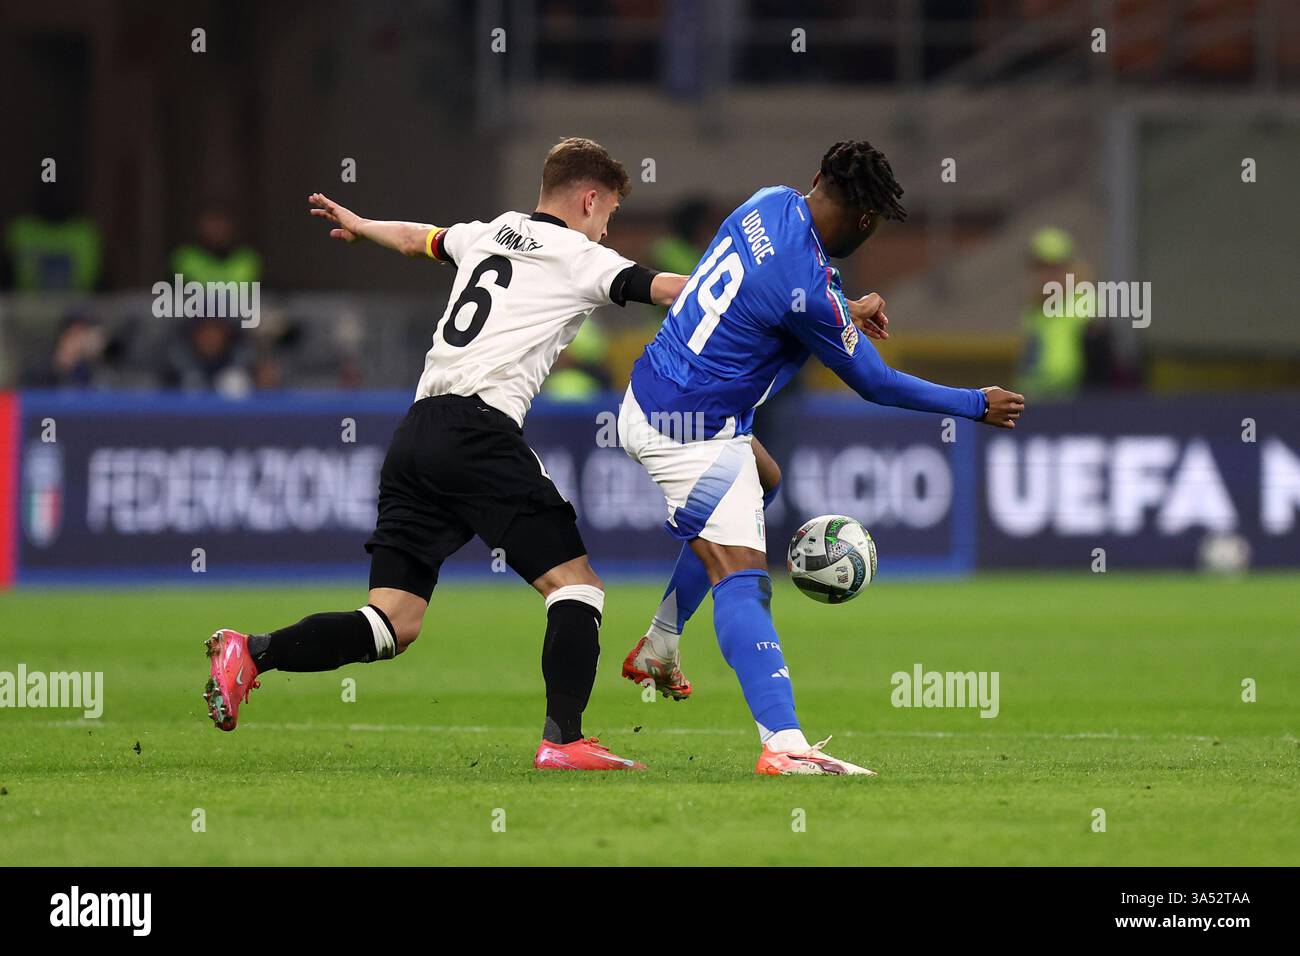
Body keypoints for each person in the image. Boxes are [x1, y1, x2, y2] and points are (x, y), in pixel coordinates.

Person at [203, 138, 687, 771]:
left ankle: (251, 650)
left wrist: (359, 224)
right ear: (590, 199)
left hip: (418, 432)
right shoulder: (580, 255)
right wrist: (777, 298)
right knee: (578, 588)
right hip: (479, 433)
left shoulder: (489, 233)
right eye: (609, 214)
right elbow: (669, 288)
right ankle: (563, 742)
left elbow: (414, 238)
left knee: (391, 622)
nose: (606, 228)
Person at [617, 141, 1025, 775]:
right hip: (691, 431)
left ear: (815, 180)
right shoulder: (805, 286)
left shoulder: (771, 200)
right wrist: (975, 403)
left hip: (656, 394)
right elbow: (876, 383)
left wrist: (846, 309)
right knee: (744, 581)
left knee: (765, 480)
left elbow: (784, 293)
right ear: (865, 222)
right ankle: (783, 745)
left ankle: (660, 646)